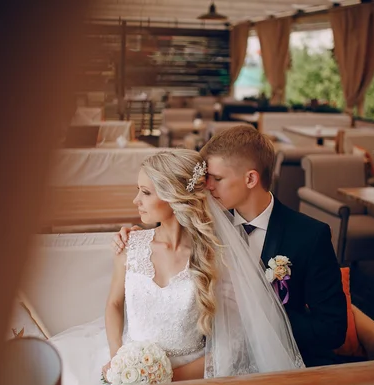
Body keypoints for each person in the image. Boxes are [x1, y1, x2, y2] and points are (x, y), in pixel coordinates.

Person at [50, 149, 304, 385]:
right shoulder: (130, 245)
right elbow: (114, 304)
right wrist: (119, 360)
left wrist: (164, 378)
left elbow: (233, 342)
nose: (136, 200)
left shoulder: (214, 256)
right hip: (126, 366)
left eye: (146, 192)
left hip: (191, 375)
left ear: (174, 197)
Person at [114, 126, 347, 367]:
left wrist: (258, 311)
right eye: (205, 178)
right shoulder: (204, 226)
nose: (207, 187)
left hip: (279, 363)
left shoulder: (309, 236)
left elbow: (333, 330)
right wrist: (133, 235)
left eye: (217, 178)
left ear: (250, 179)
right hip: (211, 362)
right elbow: (164, 238)